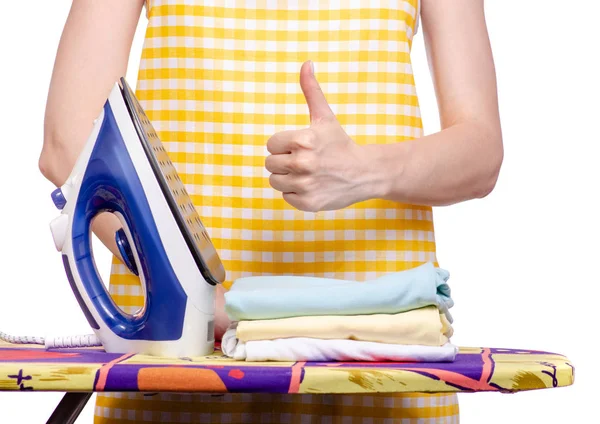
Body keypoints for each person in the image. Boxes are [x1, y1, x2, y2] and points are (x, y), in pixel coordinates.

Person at [39, 0, 503, 422]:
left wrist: (366, 171)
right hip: (179, 359)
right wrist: (178, 284)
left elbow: (480, 153)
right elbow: (68, 142)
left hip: (383, 366)